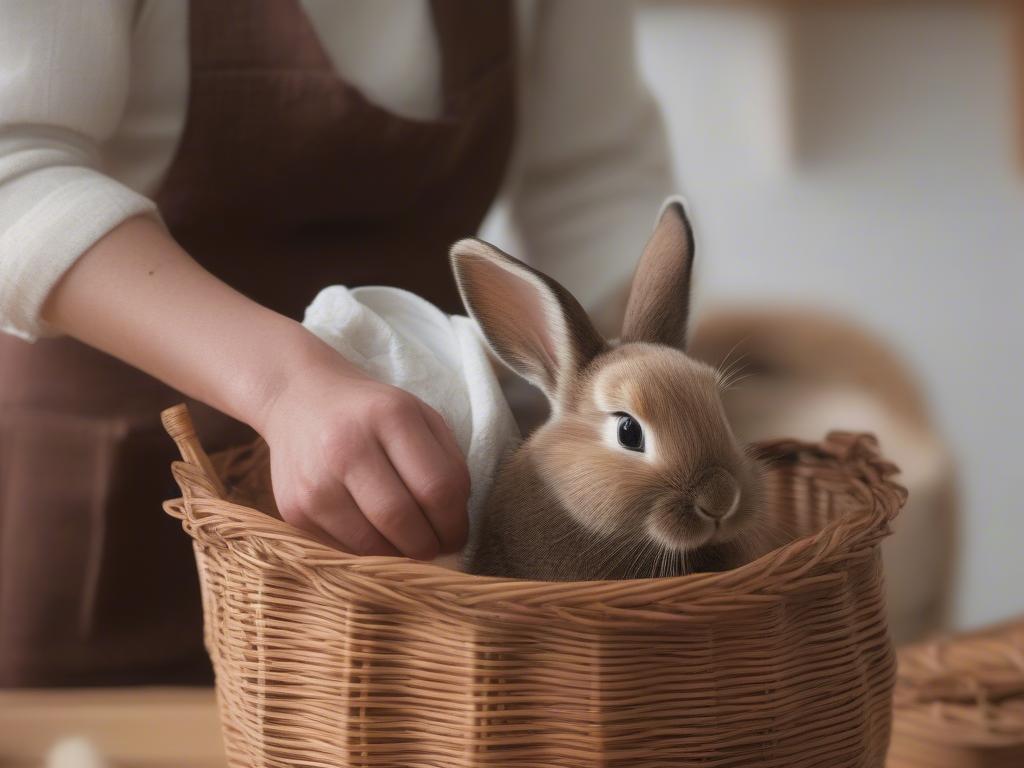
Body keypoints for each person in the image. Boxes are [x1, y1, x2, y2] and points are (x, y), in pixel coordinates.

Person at [0, 0, 674, 687]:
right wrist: (287, 386)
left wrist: (641, 419)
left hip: (419, 534)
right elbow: (12, 168)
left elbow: (592, 179)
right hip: (104, 514)